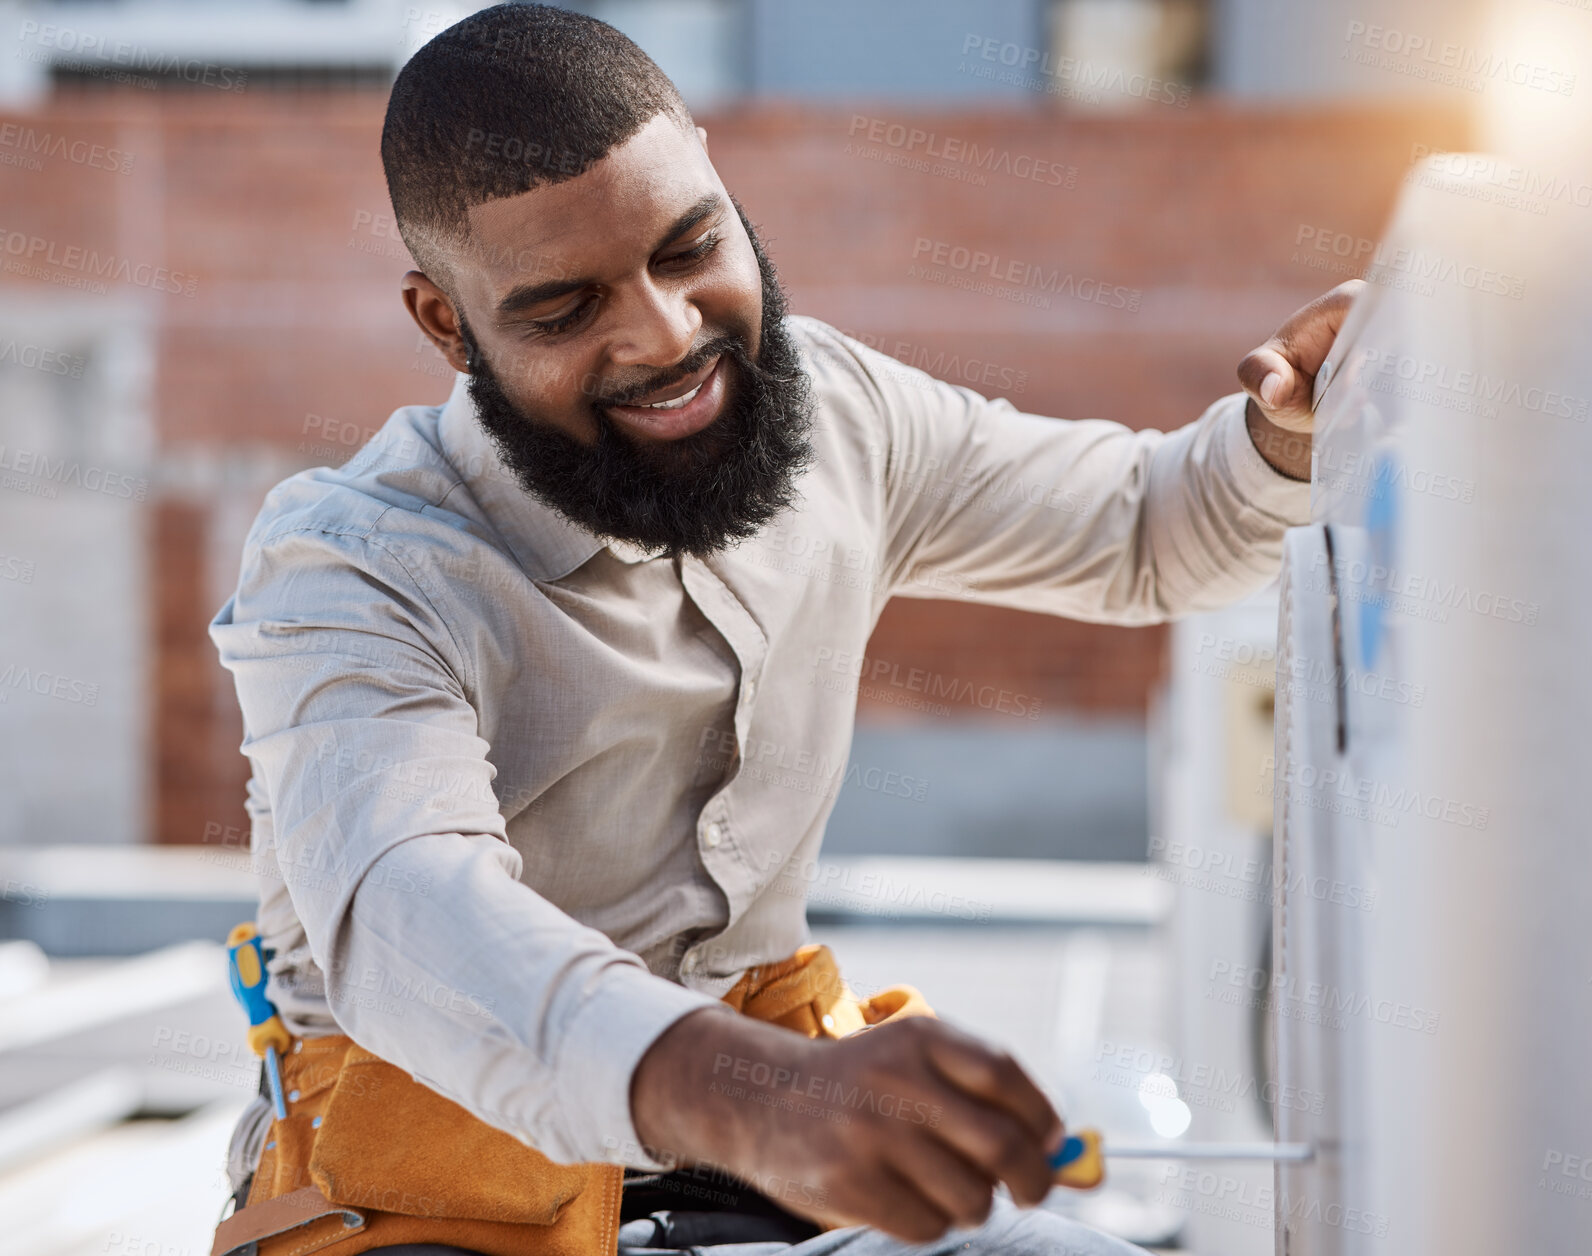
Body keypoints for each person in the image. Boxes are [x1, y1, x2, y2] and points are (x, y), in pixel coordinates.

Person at [208, 5, 1355, 1254]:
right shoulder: (349, 567)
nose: (663, 332)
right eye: (562, 309)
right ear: (445, 322)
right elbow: (407, 906)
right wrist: (753, 1094)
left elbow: (1144, 525)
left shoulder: (839, 415)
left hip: (763, 1194)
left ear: (717, 180)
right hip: (435, 1212)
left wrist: (1279, 439)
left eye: (689, 244)